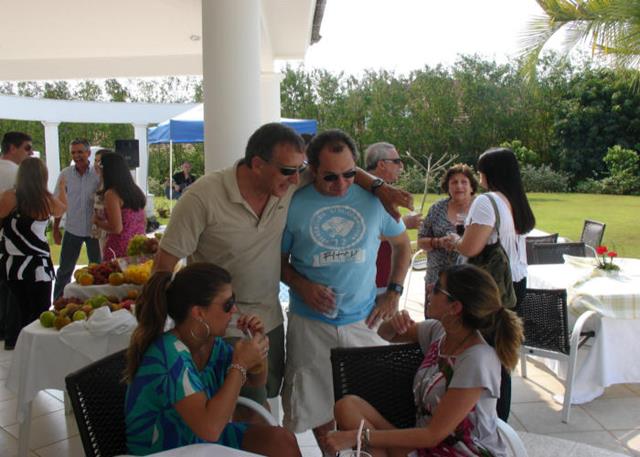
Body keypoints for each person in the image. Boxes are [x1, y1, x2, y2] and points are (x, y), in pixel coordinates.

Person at [154, 122, 413, 408]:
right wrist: (159, 332)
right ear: (257, 165)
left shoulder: (286, 182)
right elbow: (163, 267)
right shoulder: (202, 198)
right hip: (218, 325)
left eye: (300, 169)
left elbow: (340, 168)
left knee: (264, 401)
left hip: (268, 320)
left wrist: (379, 187)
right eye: (289, 171)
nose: (296, 179)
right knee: (241, 411)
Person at [280, 130, 412, 453]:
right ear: (312, 169)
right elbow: (276, 261)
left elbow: (402, 245)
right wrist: (302, 285)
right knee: (315, 405)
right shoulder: (293, 203)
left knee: (371, 402)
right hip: (310, 324)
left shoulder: (373, 201)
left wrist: (393, 291)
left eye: (349, 174)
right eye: (330, 177)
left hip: (362, 321)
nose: (341, 184)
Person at [326, 264, 523, 457]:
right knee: (347, 407)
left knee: (365, 438)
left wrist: (360, 437)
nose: (429, 287)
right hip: (423, 446)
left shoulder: (477, 359)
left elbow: (432, 435)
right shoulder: (439, 332)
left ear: (455, 307)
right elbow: (385, 333)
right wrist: (394, 323)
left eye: (437, 288)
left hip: (458, 451)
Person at [124, 262, 300, 456]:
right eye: (228, 304)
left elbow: (256, 381)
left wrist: (257, 347)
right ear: (199, 313)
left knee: (282, 441)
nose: (234, 309)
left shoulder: (211, 345)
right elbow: (210, 429)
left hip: (198, 441)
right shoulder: (168, 354)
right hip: (167, 449)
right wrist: (240, 364)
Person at [443, 147, 535, 422]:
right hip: (516, 283)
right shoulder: (515, 200)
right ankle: (499, 419)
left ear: (488, 173)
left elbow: (471, 247)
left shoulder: (486, 201)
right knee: (503, 352)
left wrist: (455, 241)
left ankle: (491, 420)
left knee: (488, 354)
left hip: (491, 287)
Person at [0, 158, 66, 349]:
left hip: (13, 263)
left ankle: (15, 343)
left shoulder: (9, 197)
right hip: (39, 264)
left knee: (17, 308)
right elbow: (62, 209)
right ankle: (37, 348)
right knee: (39, 312)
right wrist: (63, 189)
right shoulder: (46, 200)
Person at [418, 164, 478, 307]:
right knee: (434, 318)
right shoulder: (437, 208)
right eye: (454, 182)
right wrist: (438, 242)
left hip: (471, 280)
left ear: (472, 187)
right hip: (437, 280)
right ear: (448, 187)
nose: (459, 186)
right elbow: (420, 241)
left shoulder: (480, 208)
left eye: (464, 182)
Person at [365, 142, 422, 292]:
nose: (401, 166)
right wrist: (404, 223)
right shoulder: (365, 193)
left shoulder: (386, 192)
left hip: (384, 276)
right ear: (382, 164)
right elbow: (364, 234)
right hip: (373, 280)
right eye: (396, 161)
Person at [53, 138, 101, 299]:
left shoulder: (97, 174)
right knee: (64, 271)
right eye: (73, 152)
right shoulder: (65, 174)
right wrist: (56, 229)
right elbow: (58, 202)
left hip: (94, 230)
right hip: (72, 229)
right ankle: (57, 303)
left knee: (97, 270)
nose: (76, 156)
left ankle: (95, 302)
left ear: (88, 153)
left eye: (80, 152)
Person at [0, 131, 33, 346]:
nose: (30, 152)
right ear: (12, 148)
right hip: (13, 241)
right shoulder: (18, 174)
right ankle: (12, 334)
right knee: (13, 291)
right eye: (27, 148)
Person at [92, 151, 146, 260]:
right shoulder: (136, 190)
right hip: (138, 247)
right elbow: (144, 221)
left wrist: (97, 221)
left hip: (119, 249)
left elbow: (116, 228)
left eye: (101, 166)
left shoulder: (111, 194)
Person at [90, 149, 107, 253]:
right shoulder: (99, 180)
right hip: (100, 230)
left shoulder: (110, 183)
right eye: (95, 161)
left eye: (99, 161)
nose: (97, 164)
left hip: (108, 230)